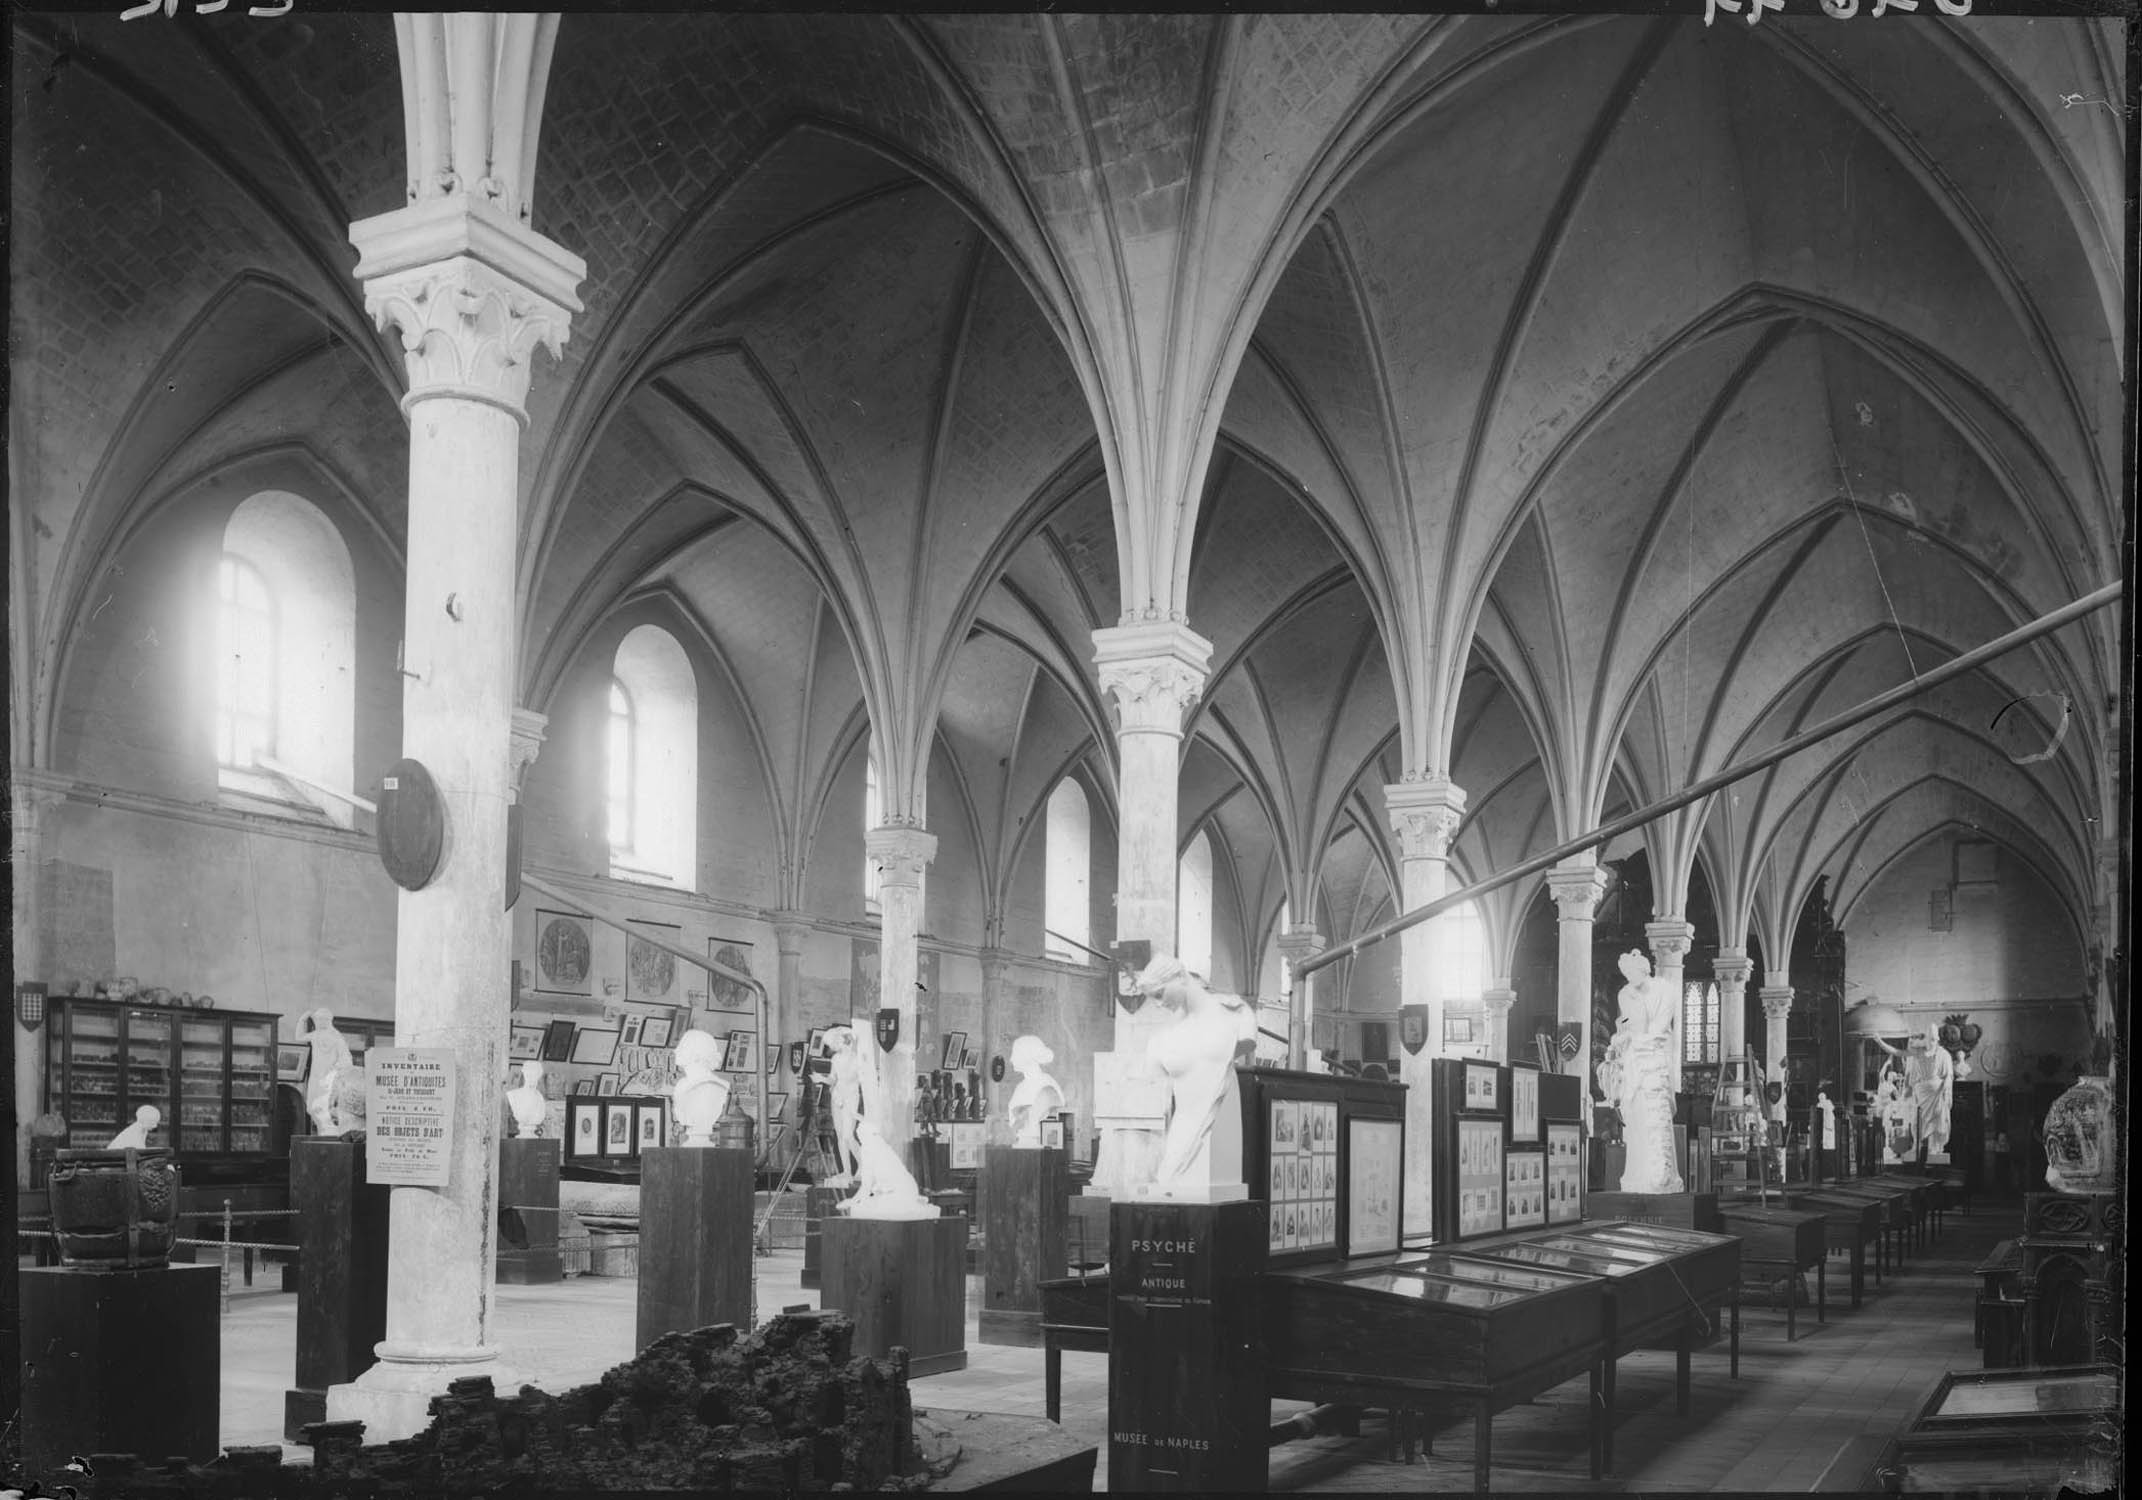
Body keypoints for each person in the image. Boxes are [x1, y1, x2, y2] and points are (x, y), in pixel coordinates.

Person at [1133, 954, 1257, 1193]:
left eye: (1160, 994)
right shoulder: (1163, 1037)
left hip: (1216, 1135)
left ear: (1180, 977)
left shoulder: (1237, 1014)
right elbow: (1153, 1100)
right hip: (1178, 1140)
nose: (1159, 1004)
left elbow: (1245, 1039)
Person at [1596, 949, 1683, 1194]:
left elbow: (1657, 1030)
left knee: (1656, 1118)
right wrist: (1619, 1040)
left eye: (1632, 972)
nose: (1630, 978)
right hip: (1635, 1063)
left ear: (1644, 968)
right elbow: (1626, 1025)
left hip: (1654, 1060)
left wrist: (1633, 1039)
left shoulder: (1665, 990)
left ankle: (1662, 1177)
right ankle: (1637, 1175)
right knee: (1635, 1121)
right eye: (1626, 974)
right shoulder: (1625, 993)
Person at [671, 1029, 732, 1146]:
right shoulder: (683, 1084)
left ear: (696, 1053)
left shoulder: (691, 1086)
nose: (676, 1050)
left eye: (683, 1046)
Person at [1006, 1034, 1064, 1148]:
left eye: (1015, 1053)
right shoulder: (1020, 1087)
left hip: (1033, 1143)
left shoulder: (1047, 1084)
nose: (1011, 1059)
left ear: (1027, 1056)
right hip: (1020, 1143)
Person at [506, 1058, 549, 1138]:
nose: (531, 1078)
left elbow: (540, 1117)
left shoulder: (539, 1097)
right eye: (529, 1074)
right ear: (524, 1074)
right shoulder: (513, 1095)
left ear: (538, 1076)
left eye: (535, 1075)